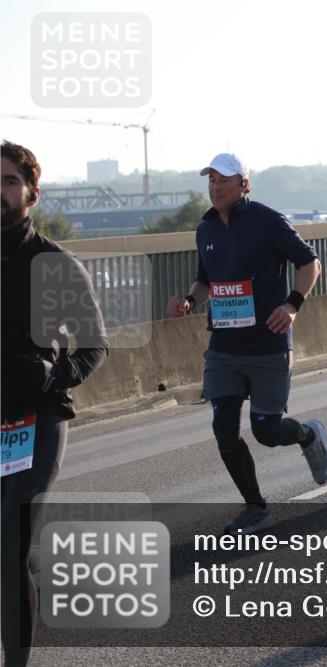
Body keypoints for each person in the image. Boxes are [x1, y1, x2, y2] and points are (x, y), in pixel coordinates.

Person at [166, 153, 327, 534]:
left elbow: (310, 264)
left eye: (224, 179)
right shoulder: (205, 228)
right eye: (210, 180)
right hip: (223, 347)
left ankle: (307, 434)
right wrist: (189, 301)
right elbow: (204, 280)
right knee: (223, 429)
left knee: (266, 431)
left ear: (244, 184)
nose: (215, 186)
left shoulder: (267, 220)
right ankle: (256, 508)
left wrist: (292, 305)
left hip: (267, 344)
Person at [2, 141, 108, 666]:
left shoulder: (52, 264)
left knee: (7, 547)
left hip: (35, 419)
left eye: (8, 182)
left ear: (31, 194)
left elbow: (94, 344)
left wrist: (54, 375)